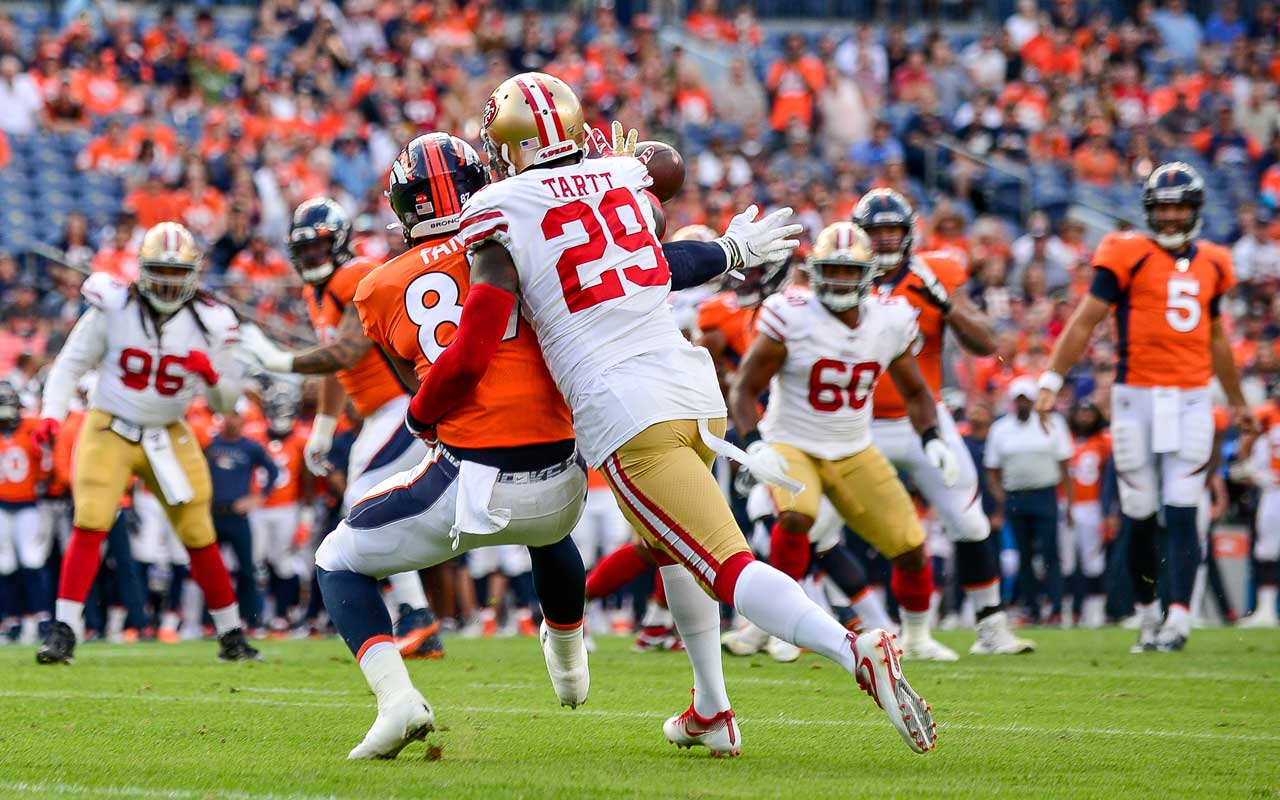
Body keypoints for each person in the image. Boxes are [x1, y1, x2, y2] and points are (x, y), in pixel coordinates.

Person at [423, 73, 936, 756]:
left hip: (628, 411)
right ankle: (712, 710)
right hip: (695, 396)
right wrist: (729, 250)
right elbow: (657, 258)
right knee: (673, 549)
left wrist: (428, 409)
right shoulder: (617, 175)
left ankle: (852, 649)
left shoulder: (497, 203)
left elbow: (493, 315)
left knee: (727, 565)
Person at [315, 128, 785, 760]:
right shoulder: (523, 239)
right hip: (562, 478)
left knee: (337, 558)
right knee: (549, 533)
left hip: (468, 480)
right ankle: (568, 659)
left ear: (406, 206)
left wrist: (421, 420)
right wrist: (718, 241)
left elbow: (434, 367)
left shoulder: (377, 287)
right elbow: (646, 264)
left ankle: (398, 701)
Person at [1036, 162, 1252, 652]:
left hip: (1193, 398)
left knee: (1182, 511)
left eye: (1180, 207)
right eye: (1164, 207)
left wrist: (1237, 401)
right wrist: (1052, 377)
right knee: (1137, 513)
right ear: (1149, 210)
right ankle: (1147, 613)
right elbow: (1086, 318)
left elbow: (1217, 338)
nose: (1172, 217)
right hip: (1136, 399)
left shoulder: (1214, 261)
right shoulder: (1125, 251)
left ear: (1195, 210)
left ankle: (1178, 618)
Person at [729, 222, 959, 662]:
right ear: (816, 272)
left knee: (909, 542)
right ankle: (778, 623)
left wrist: (932, 439)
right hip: (792, 440)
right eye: (832, 269)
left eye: (850, 271)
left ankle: (917, 636)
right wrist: (755, 443)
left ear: (868, 274)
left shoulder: (890, 319)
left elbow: (915, 391)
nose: (840, 279)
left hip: (853, 446)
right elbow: (744, 387)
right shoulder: (791, 314)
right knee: (798, 516)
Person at [34, 222, 258, 663]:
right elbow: (68, 366)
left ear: (193, 273)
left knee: (198, 529)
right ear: (141, 270)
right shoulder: (112, 306)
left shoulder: (210, 320)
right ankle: (64, 630)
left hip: (169, 431)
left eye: (178, 273)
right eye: (161, 271)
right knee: (91, 519)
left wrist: (212, 376)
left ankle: (232, 634)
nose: (170, 282)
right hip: (110, 425)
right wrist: (50, 416)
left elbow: (226, 401)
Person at [235, 197, 442, 660]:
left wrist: (277, 360)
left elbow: (346, 352)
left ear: (340, 242)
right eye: (304, 251)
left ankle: (415, 614)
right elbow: (335, 369)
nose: (311, 258)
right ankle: (414, 613)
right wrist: (324, 428)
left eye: (319, 247)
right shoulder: (318, 292)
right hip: (377, 414)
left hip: (404, 404)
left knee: (364, 500)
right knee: (366, 505)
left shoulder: (354, 276)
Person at [857, 188, 1035, 656]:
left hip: (923, 421)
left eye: (892, 230)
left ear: (910, 232)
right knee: (815, 525)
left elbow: (986, 344)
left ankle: (990, 628)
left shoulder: (937, 272)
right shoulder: (842, 271)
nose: (884, 240)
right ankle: (793, 627)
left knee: (969, 521)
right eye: (875, 232)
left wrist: (946, 304)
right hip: (857, 422)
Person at [985, 379, 1074, 624]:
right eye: (1019, 399)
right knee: (1023, 555)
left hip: (1045, 494)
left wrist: (1069, 503)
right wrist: (1000, 495)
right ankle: (1032, 608)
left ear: (1034, 400)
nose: (1023, 403)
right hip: (1015, 496)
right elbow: (992, 469)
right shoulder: (1000, 428)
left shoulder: (1053, 423)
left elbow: (1065, 465)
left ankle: (1055, 608)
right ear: (1014, 401)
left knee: (1050, 553)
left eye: (1026, 398)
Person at [205, 410, 278, 633]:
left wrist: (258, 496)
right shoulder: (210, 445)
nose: (231, 421)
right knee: (210, 569)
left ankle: (251, 620)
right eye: (228, 416)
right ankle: (208, 622)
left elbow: (273, 471)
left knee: (247, 569)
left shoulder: (250, 447)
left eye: (235, 416)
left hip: (238, 515)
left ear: (242, 420)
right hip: (213, 513)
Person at [247, 389, 312, 632]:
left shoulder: (301, 438)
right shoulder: (253, 434)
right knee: (256, 562)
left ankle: (284, 613)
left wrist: (305, 515)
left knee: (284, 561)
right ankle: (260, 614)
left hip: (287, 508)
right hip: (258, 507)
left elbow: (307, 480)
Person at [0, 381, 49, 643]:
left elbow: (45, 460)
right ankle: (12, 619)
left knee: (32, 562)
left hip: (28, 504)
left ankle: (41, 618)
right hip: (2, 506)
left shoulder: (31, 428)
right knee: (5, 565)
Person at [1062, 398, 1112, 628]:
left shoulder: (1103, 441)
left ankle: (1095, 611)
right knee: (1066, 560)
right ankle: (1067, 610)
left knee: (1093, 560)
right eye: (1080, 412)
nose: (1084, 418)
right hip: (1064, 502)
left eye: (1088, 413)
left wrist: (1110, 510)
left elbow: (1110, 477)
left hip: (1092, 505)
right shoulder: (1064, 438)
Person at [1238, 386, 1280, 627]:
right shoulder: (1267, 418)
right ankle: (1266, 610)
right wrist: (1255, 472)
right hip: (1273, 491)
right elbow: (1245, 447)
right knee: (1267, 549)